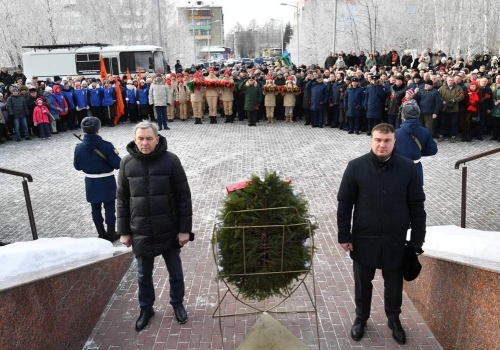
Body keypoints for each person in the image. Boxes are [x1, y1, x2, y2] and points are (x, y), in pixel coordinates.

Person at [337, 123, 426, 345]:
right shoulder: (355, 167)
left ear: (394, 141)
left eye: (387, 140)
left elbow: (417, 205)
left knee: (394, 285)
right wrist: (344, 235)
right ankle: (361, 318)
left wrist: (417, 239)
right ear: (371, 141)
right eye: (378, 140)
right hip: (363, 239)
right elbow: (345, 203)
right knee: (362, 282)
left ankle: (394, 319)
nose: (382, 144)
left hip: (395, 241)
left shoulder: (408, 168)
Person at [117, 121, 193, 331]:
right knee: (143, 275)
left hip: (168, 228)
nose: (144, 143)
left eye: (149, 138)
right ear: (135, 139)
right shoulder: (126, 163)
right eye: (140, 138)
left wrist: (184, 229)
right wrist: (123, 231)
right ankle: (146, 308)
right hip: (140, 230)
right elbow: (122, 199)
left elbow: (183, 197)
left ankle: (177, 303)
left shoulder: (171, 161)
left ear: (157, 139)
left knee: (175, 272)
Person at [73, 117, 121, 241]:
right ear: (98, 130)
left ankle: (101, 234)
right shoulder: (106, 146)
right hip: (107, 181)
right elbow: (117, 165)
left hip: (90, 182)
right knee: (110, 208)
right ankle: (111, 233)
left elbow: (77, 166)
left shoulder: (79, 147)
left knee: (95, 208)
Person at [395, 100, 438, 184]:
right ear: (418, 115)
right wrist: (416, 151)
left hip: (398, 169)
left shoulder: (396, 133)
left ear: (403, 115)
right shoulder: (425, 131)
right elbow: (433, 150)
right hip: (416, 168)